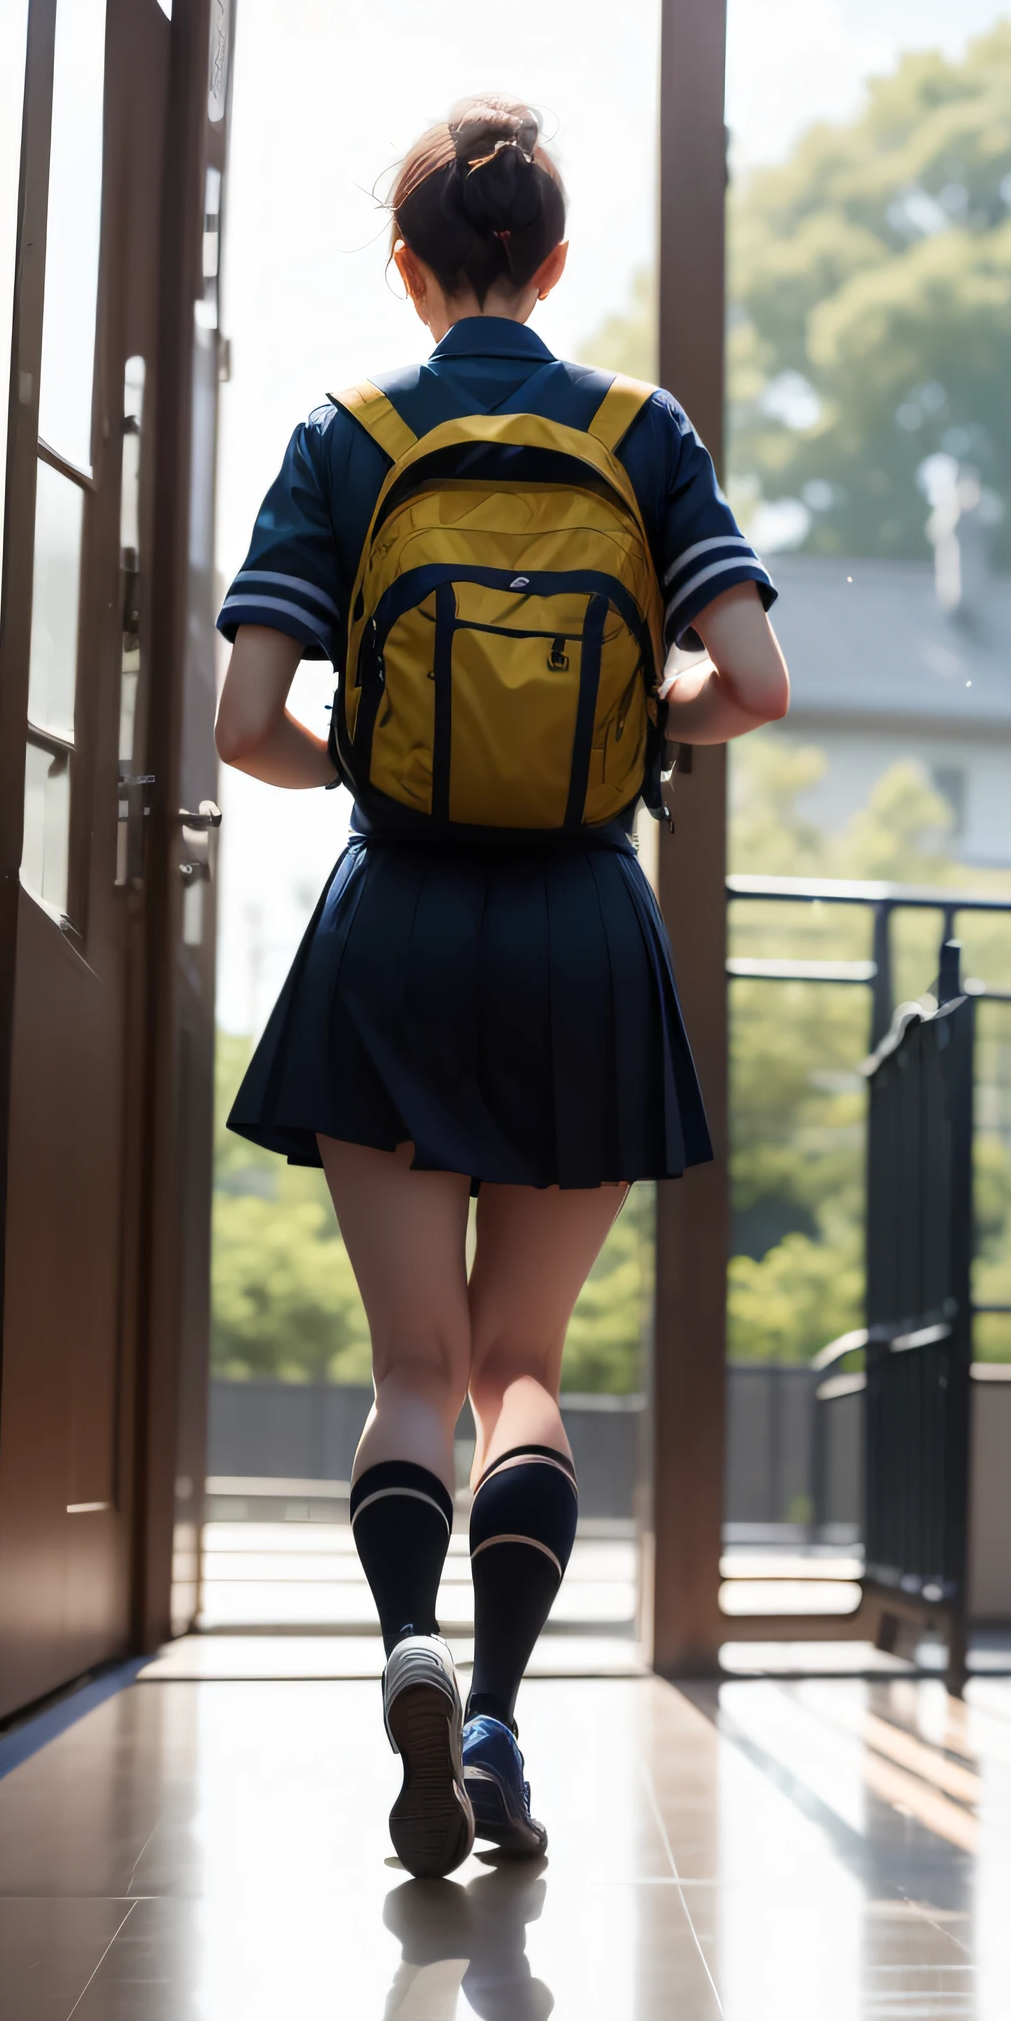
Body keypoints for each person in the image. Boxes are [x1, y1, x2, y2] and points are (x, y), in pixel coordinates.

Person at [216, 101, 788, 1881]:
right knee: (522, 1369)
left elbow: (246, 726)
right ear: (553, 263)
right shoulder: (641, 434)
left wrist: (370, 769)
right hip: (577, 934)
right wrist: (640, 730)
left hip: (394, 928)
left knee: (414, 1369)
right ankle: (495, 1730)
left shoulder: (351, 435)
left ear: (410, 268)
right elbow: (755, 682)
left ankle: (406, 1643)